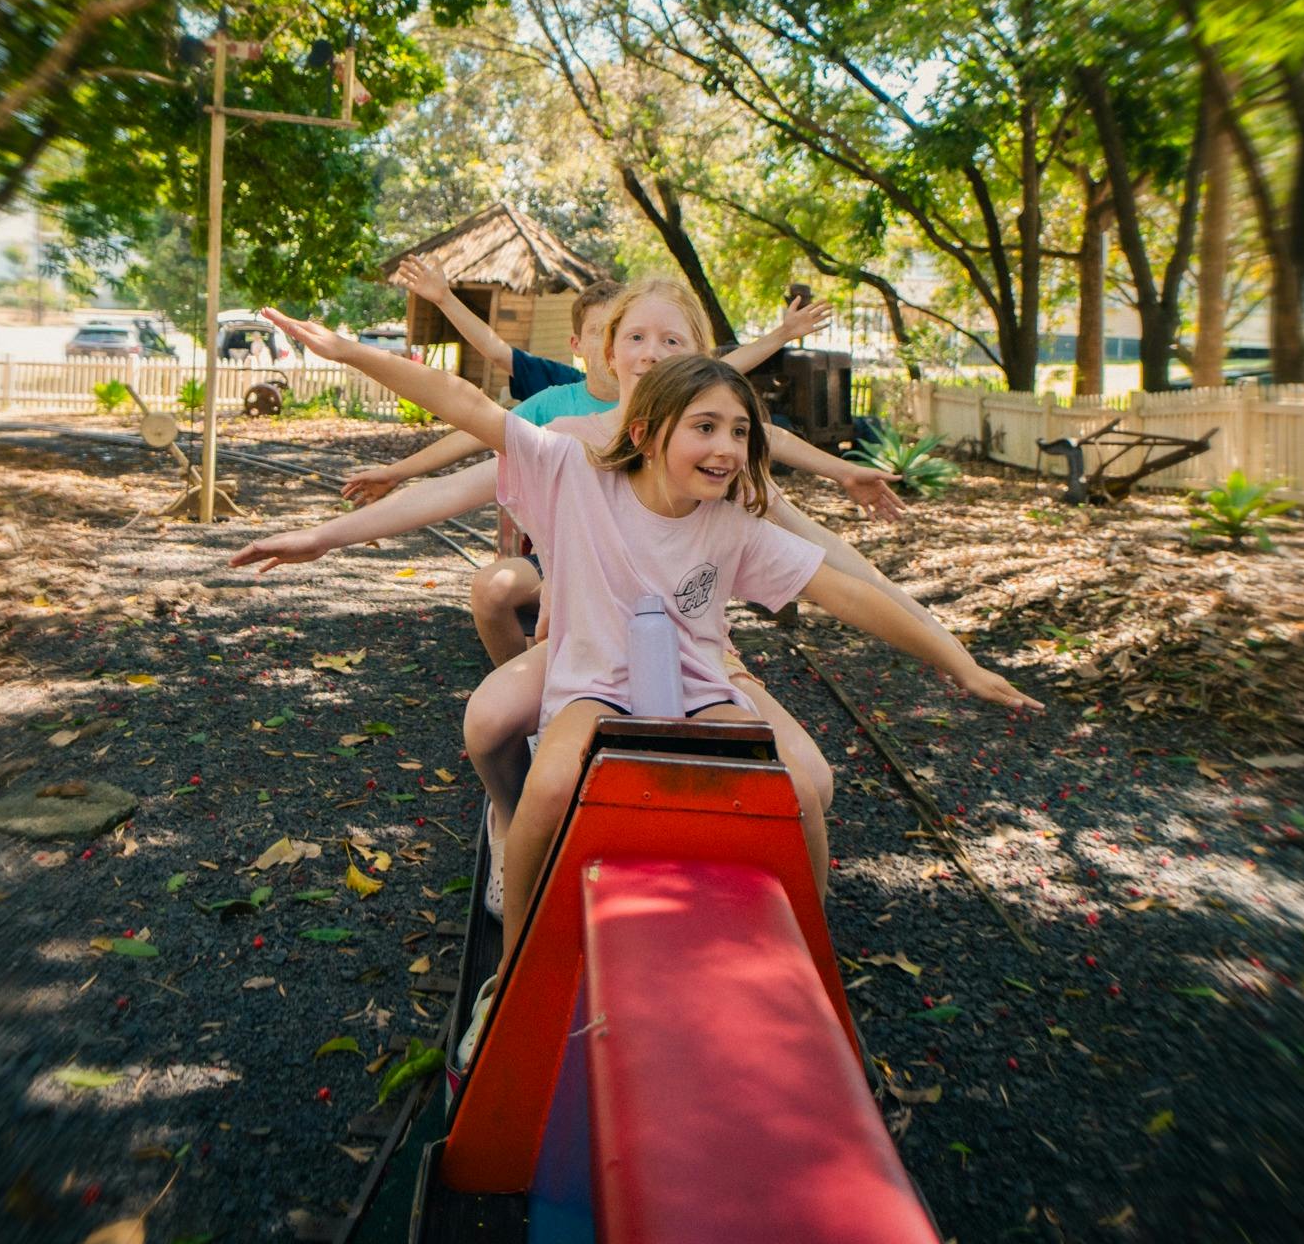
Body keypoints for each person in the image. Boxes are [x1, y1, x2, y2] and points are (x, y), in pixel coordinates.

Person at [253, 305, 1031, 1066]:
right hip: (595, 683)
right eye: (705, 427)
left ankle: (805, 965)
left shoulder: (734, 523)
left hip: (700, 687)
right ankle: (513, 969)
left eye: (738, 431)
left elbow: (845, 591)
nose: (727, 446)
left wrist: (958, 662)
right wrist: (349, 353)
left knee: (795, 782)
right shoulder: (571, 470)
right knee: (554, 778)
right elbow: (465, 403)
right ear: (645, 433)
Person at [351, 264, 857, 668]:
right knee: (498, 643)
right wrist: (397, 473)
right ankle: (528, 681)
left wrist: (841, 469)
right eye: (626, 336)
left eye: (667, 341)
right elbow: (474, 423)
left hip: (670, 602)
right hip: (574, 565)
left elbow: (756, 418)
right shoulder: (560, 412)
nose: (648, 353)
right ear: (593, 345)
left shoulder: (702, 428)